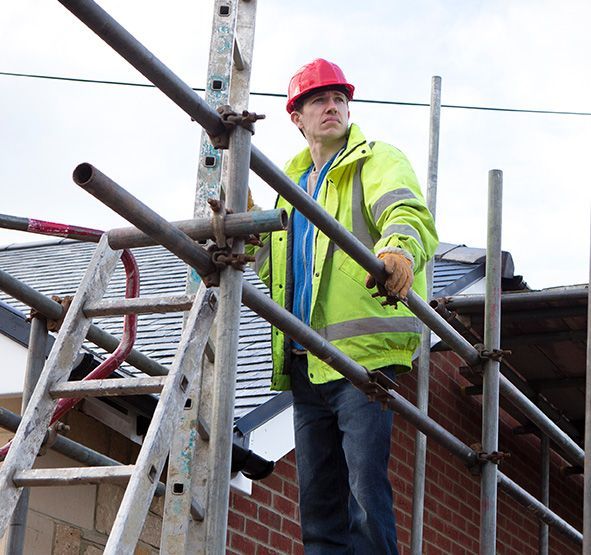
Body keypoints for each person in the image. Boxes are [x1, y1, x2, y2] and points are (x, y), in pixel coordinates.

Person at [249, 58, 438, 554]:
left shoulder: (376, 160)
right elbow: (278, 271)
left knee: (364, 496)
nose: (332, 106)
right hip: (306, 360)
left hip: (363, 360)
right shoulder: (290, 187)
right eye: (318, 100)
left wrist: (398, 248)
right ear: (297, 117)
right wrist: (250, 234)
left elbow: (405, 211)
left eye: (339, 99)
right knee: (318, 506)